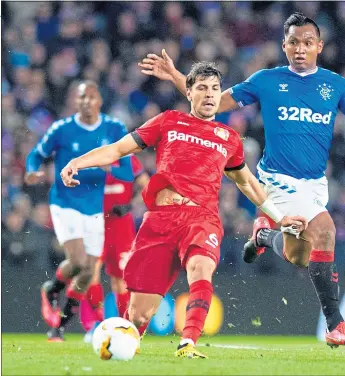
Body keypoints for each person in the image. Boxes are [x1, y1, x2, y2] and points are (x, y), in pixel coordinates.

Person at [61, 62, 306, 358]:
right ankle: (122, 344)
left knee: (200, 268)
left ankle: (188, 342)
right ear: (188, 92)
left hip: (202, 219)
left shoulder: (228, 138)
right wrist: (77, 162)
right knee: (137, 317)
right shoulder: (168, 121)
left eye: (215, 88)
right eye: (202, 88)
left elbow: (248, 183)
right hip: (160, 221)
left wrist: (280, 218)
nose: (210, 94)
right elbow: (117, 149)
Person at [138, 12, 345, 347]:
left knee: (301, 255)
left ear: (319, 46)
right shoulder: (266, 80)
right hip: (277, 179)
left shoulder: (335, 86)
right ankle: (337, 325)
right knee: (325, 232)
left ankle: (264, 236)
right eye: (294, 42)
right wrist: (177, 76)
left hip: (314, 185)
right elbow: (213, 104)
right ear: (284, 45)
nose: (300, 48)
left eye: (308, 42)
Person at [25, 80, 134, 341]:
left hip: (94, 207)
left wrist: (109, 167)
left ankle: (59, 323)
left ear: (99, 101)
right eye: (81, 97)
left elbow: (128, 172)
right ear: (76, 101)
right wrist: (32, 170)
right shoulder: (62, 129)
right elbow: (37, 154)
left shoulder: (114, 128)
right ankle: (52, 289)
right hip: (65, 203)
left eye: (91, 97)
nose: (86, 101)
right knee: (79, 262)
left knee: (87, 272)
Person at [85, 155, 150, 327]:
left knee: (120, 279)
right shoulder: (91, 157)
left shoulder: (129, 160)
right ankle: (98, 322)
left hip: (120, 226)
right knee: (91, 271)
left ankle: (125, 324)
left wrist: (129, 205)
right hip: (96, 222)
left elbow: (147, 186)